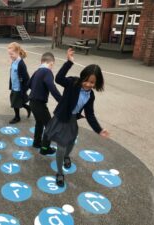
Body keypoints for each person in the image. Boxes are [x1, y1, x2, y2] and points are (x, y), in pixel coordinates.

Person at [45, 48, 109, 187]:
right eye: (86, 80)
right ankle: (60, 172)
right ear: (82, 77)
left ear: (96, 83)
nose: (88, 84)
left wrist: (99, 129)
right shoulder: (73, 83)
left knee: (71, 142)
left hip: (72, 119)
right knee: (61, 146)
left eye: (92, 83)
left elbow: (90, 114)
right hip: (62, 118)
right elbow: (58, 78)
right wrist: (69, 62)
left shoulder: (90, 95)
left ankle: (66, 156)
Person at [28, 52, 62, 155]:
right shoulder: (47, 72)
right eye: (53, 65)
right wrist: (61, 100)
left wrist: (37, 89)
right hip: (39, 104)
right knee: (50, 126)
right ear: (51, 63)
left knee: (39, 122)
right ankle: (45, 148)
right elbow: (52, 87)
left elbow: (29, 84)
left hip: (32, 103)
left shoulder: (37, 71)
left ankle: (37, 143)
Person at [7, 42, 31, 124]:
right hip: (14, 86)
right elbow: (13, 75)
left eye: (12, 54)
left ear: (17, 52)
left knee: (15, 103)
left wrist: (24, 89)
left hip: (19, 87)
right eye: (9, 54)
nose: (10, 56)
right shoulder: (14, 61)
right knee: (16, 101)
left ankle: (17, 118)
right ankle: (28, 107)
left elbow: (27, 78)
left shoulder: (21, 64)